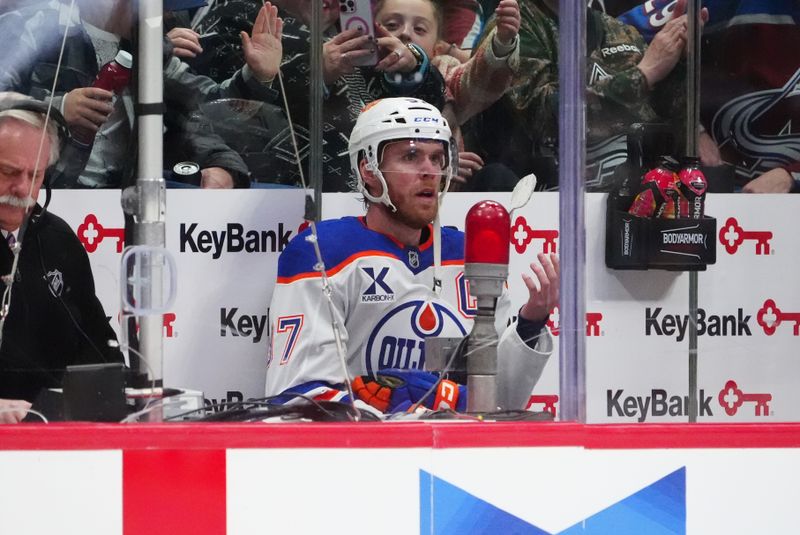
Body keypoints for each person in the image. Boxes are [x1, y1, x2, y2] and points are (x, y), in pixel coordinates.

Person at [265, 97, 558, 414]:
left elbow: (498, 401)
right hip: (360, 456)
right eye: (411, 156)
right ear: (369, 169)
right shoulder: (323, 251)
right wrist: (410, 408)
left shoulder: (465, 254)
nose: (429, 171)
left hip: (455, 454)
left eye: (436, 158)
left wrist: (531, 322)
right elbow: (297, 395)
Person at [0, 0, 282, 188]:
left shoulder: (150, 48)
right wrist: (57, 109)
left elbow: (210, 106)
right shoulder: (34, 26)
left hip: (121, 203)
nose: (167, 13)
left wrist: (257, 76)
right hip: (35, 196)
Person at [191, 0, 446, 191]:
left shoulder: (359, 29)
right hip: (272, 202)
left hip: (377, 194)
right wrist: (313, 72)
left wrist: (412, 68)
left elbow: (428, 110)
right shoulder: (232, 16)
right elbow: (222, 110)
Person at [470, 0, 712, 190]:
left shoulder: (622, 34)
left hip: (631, 205)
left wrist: (680, 61)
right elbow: (541, 114)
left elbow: (671, 129)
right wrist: (643, 75)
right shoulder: (513, 26)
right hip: (542, 204)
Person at [0, 94, 123, 423]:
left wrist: (121, 397)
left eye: (35, 175)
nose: (22, 187)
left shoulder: (57, 240)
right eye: (8, 172)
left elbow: (96, 344)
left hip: (55, 437)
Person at [613, 0, 800, 193]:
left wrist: (791, 176)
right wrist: (689, 125)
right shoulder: (702, 5)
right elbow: (604, 43)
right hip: (713, 196)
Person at [376, 0, 522, 190]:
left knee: (497, 177)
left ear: (437, 47)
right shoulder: (355, 74)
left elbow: (479, 81)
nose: (405, 33)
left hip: (442, 199)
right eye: (392, 25)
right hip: (375, 195)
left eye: (419, 29)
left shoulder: (443, 69)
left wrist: (502, 42)